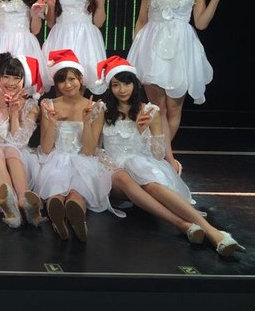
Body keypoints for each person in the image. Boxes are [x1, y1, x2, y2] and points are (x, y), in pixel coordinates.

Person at [92, 55, 245, 257]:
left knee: (152, 185)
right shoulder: (102, 110)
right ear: (109, 87)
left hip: (141, 167)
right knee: (123, 176)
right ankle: (181, 224)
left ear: (135, 84)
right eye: (116, 84)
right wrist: (112, 165)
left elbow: (157, 154)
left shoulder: (149, 111)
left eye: (127, 83)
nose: (122, 89)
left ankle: (213, 232)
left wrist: (144, 132)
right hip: (113, 173)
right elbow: (95, 149)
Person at [127, 0, 219, 174]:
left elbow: (201, 23)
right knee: (157, 107)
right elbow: (141, 20)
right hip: (151, 46)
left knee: (173, 108)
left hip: (181, 48)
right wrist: (137, 48)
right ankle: (166, 159)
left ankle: (158, 155)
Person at [35, 49, 123, 243]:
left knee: (77, 193)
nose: (67, 85)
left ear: (81, 79)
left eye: (72, 79)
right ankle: (57, 217)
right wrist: (52, 122)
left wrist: (86, 122)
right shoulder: (48, 104)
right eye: (62, 81)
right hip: (56, 158)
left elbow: (89, 150)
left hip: (84, 159)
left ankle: (77, 219)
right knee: (56, 192)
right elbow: (46, 148)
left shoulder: (96, 107)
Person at [0, 53, 44, 228]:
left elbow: (19, 142)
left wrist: (14, 114)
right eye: (6, 76)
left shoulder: (31, 106)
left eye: (16, 78)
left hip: (20, 157)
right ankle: (10, 205)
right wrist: (2, 109)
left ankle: (24, 200)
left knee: (10, 150)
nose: (11, 82)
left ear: (24, 80)